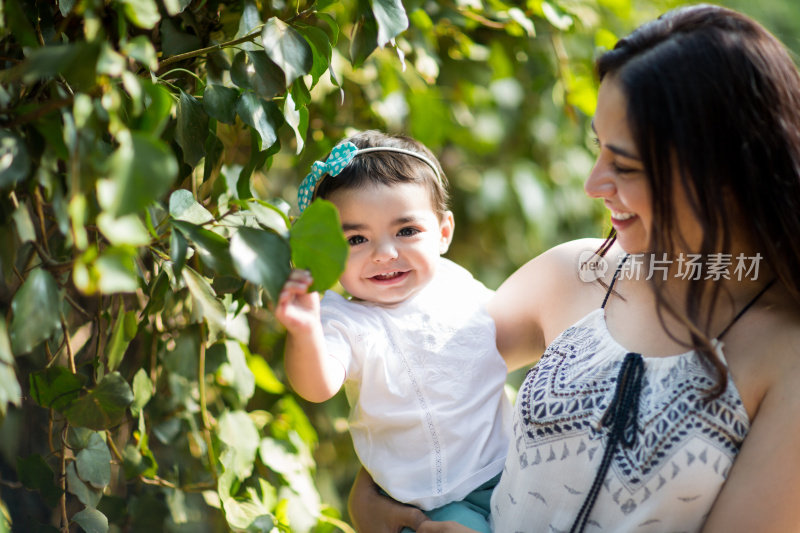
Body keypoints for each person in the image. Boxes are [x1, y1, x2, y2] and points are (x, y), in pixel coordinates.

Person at [347, 5, 800, 532]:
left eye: (624, 165)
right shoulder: (576, 272)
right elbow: (419, 389)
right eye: (597, 148)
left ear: (720, 167)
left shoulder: (785, 353)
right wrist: (377, 505)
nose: (594, 183)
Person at [275, 130, 512, 533]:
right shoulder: (345, 321)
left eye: (406, 231)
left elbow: (514, 330)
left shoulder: (459, 285)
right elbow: (317, 385)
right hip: (429, 500)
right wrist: (303, 332)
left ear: (443, 232)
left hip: (510, 465)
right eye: (356, 239)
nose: (384, 253)